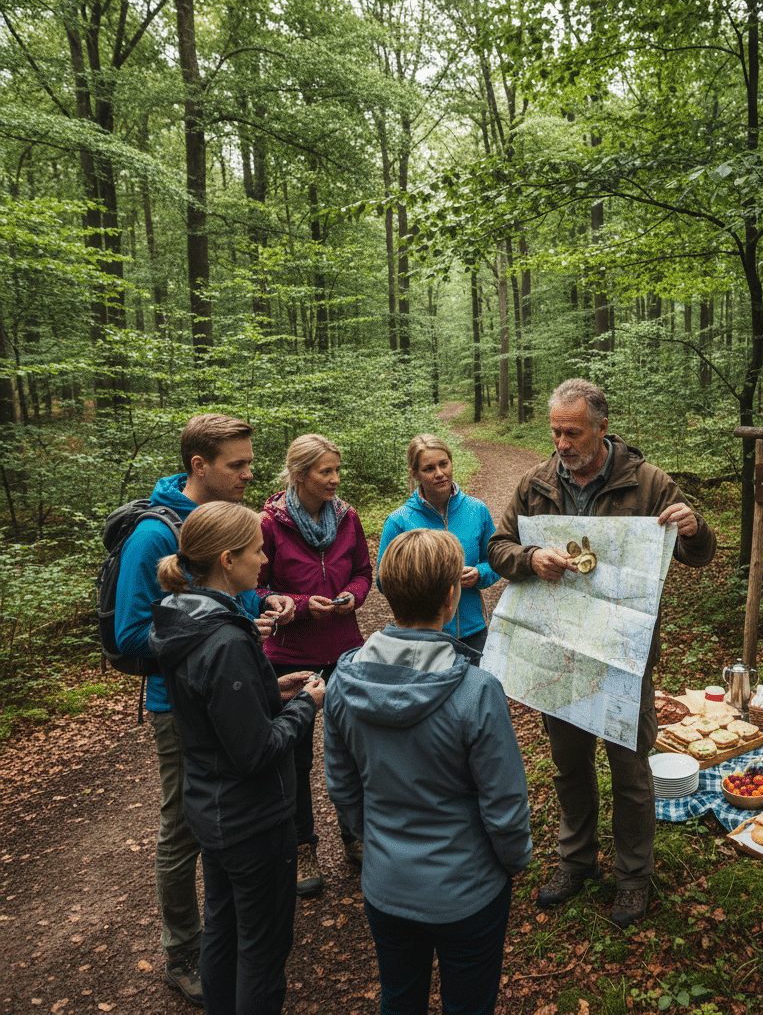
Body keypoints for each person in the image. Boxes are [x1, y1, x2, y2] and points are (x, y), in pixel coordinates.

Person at [487, 378, 717, 928]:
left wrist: (692, 527)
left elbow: (700, 554)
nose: (562, 443)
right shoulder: (537, 484)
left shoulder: (649, 483)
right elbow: (497, 548)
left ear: (602, 428)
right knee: (569, 765)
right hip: (558, 648)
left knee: (631, 770)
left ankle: (632, 877)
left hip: (622, 654)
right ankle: (576, 860)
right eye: (555, 431)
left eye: (573, 432)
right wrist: (528, 558)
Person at [114, 413, 295, 1006]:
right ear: (200, 466)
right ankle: (182, 949)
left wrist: (261, 609)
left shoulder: (227, 528)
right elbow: (134, 632)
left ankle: (224, 942)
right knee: (189, 825)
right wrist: (217, 646)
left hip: (233, 684)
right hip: (181, 703)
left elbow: (225, 598)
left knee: (220, 831)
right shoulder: (155, 535)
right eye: (236, 464)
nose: (249, 473)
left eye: (249, 461)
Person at [322, 528, 532, 1015]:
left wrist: (373, 845)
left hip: (386, 886)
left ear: (387, 591)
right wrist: (514, 861)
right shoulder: (476, 691)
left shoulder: (342, 683)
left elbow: (343, 788)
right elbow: (503, 803)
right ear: (452, 595)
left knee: (399, 998)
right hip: (468, 891)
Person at [149, 501, 326, 1015]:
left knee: (223, 927)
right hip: (251, 818)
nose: (264, 561)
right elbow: (255, 751)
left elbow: (218, 708)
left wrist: (271, 690)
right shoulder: (226, 637)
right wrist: (305, 709)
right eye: (255, 551)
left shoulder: (184, 618)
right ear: (227, 560)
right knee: (264, 949)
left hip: (211, 808)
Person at [257, 433, 373, 895]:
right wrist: (303, 606)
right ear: (300, 474)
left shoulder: (347, 518)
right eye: (326, 472)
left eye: (337, 471)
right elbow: (255, 588)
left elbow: (365, 572)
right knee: (295, 757)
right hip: (289, 658)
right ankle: (302, 844)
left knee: (354, 747)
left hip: (345, 649)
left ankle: (355, 834)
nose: (335, 480)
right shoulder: (268, 524)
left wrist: (352, 597)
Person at [377, 434, 499, 654]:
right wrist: (427, 584)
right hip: (421, 636)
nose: (440, 473)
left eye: (444, 464)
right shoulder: (399, 521)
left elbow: (496, 560)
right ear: (414, 474)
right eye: (429, 468)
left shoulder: (476, 510)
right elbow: (383, 581)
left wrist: (480, 573)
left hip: (472, 631)